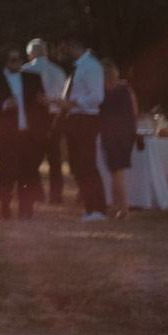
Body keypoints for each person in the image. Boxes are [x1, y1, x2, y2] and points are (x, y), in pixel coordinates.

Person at [0, 44, 49, 220]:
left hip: (29, 134)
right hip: (6, 135)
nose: (17, 63)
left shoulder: (33, 78)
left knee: (29, 172)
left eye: (19, 59)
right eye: (13, 59)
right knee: (7, 172)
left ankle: (26, 210)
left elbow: (42, 106)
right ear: (5, 61)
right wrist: (3, 106)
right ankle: (5, 205)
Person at [55, 32, 109, 222]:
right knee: (77, 166)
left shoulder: (91, 66)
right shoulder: (77, 67)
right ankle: (89, 207)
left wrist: (73, 103)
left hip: (86, 120)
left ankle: (98, 209)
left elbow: (97, 97)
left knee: (87, 165)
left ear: (72, 46)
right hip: (74, 119)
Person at [24, 38, 69, 203]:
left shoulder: (26, 70)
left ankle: (37, 193)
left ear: (31, 54)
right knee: (55, 159)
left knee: (33, 157)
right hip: (55, 117)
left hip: (36, 118)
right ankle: (56, 196)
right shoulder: (59, 71)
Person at [100, 58, 139, 219]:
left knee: (116, 173)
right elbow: (135, 110)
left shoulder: (103, 92)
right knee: (116, 172)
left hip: (111, 135)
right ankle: (117, 206)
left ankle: (123, 209)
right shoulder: (125, 88)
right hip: (127, 133)